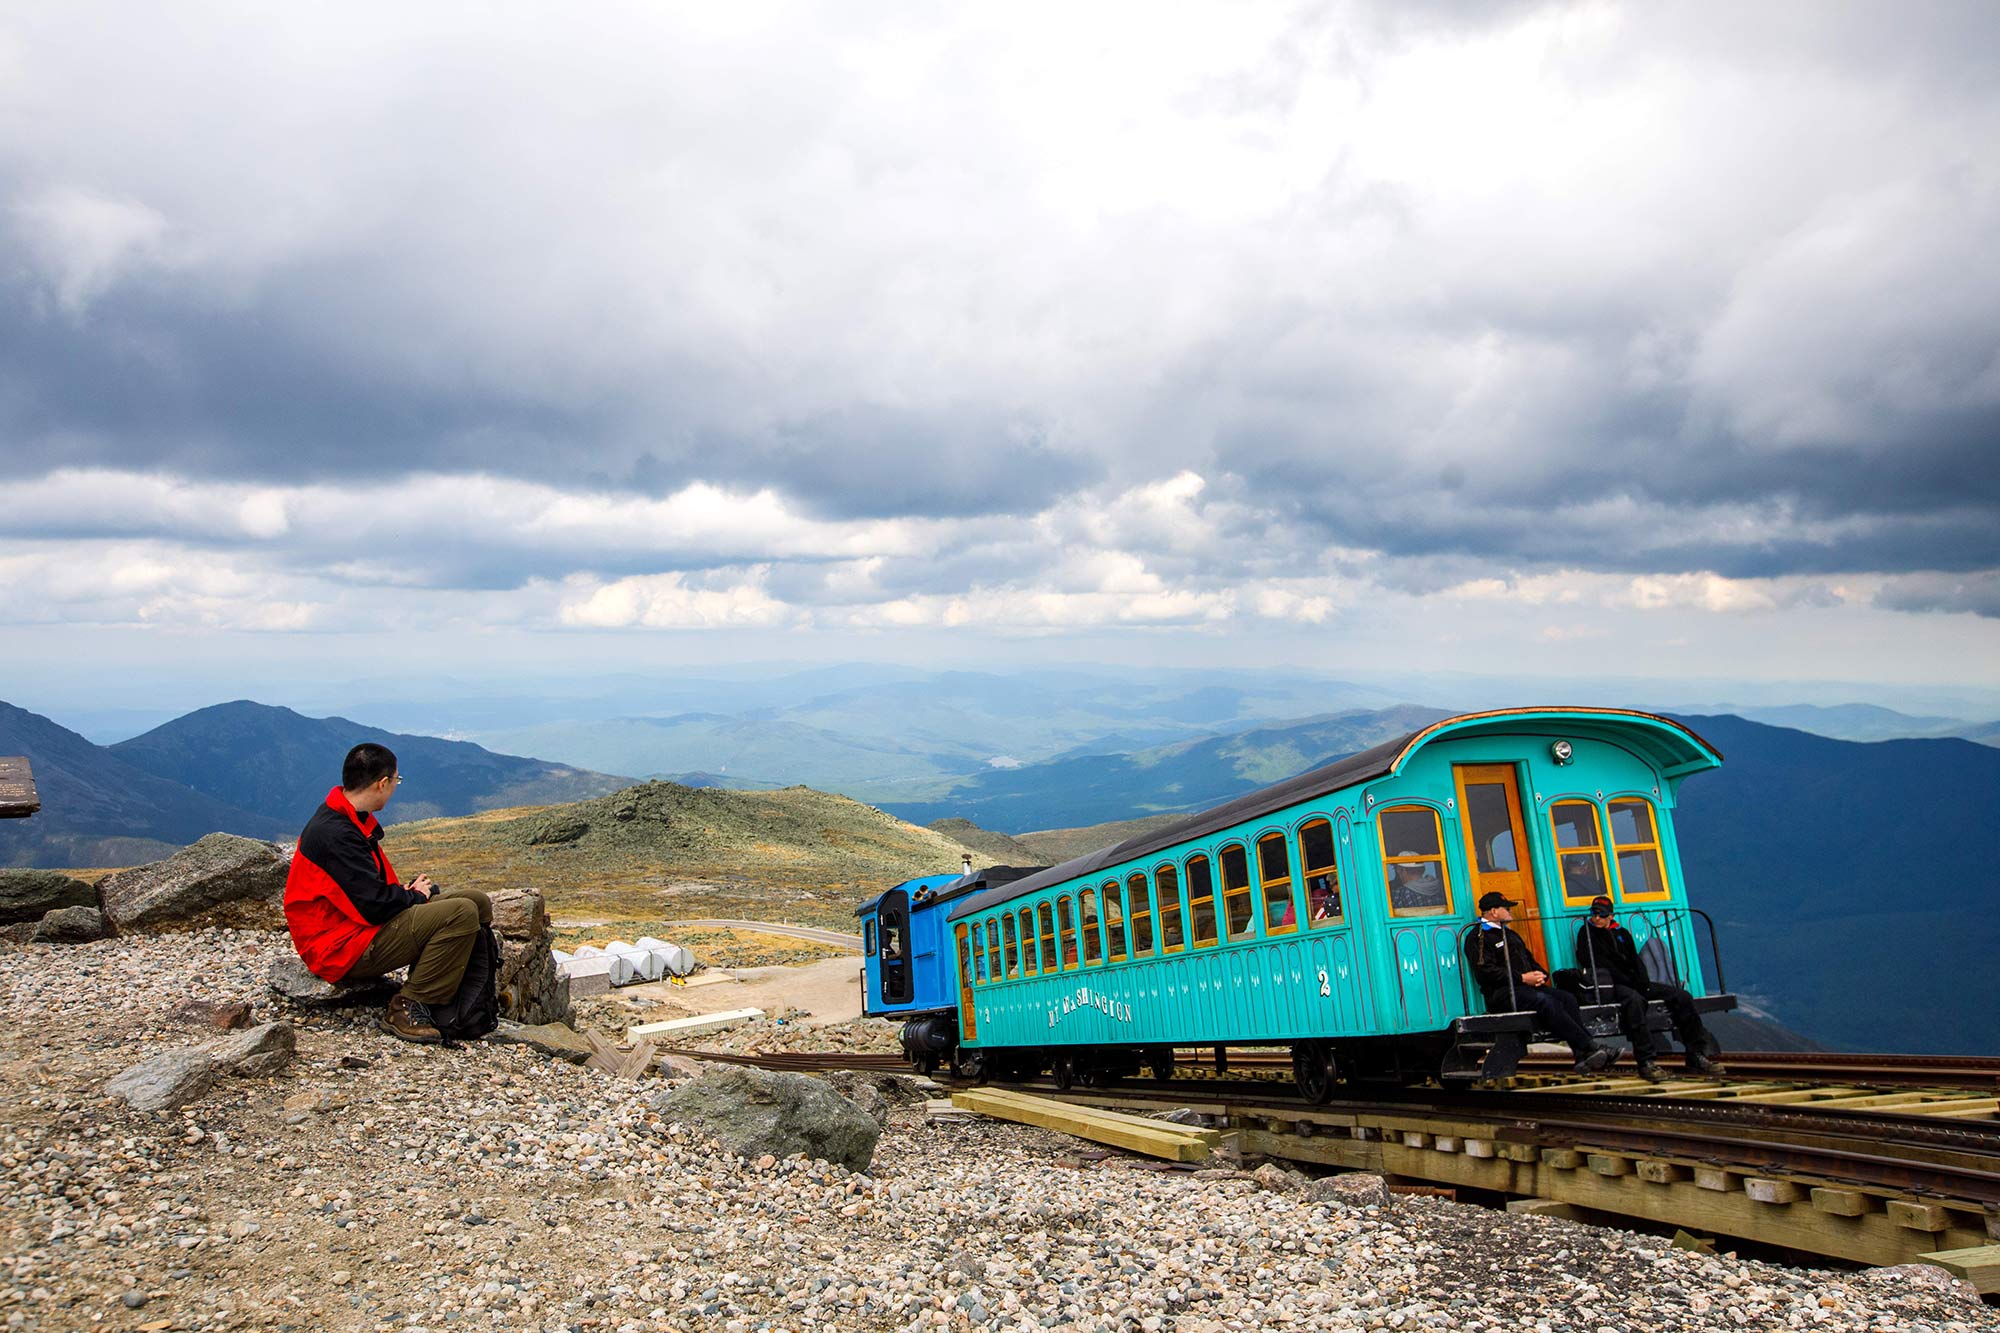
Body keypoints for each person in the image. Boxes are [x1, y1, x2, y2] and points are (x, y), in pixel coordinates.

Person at [283, 743, 493, 1044]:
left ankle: (459, 999)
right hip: (339, 948)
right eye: (396, 780)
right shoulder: (335, 834)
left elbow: (364, 893)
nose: (396, 786)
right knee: (460, 913)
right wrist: (416, 897)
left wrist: (406, 893)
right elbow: (374, 908)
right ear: (382, 783)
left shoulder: (348, 817)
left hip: (357, 928)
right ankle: (406, 1007)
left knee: (476, 901)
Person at [1573, 895, 1725, 1080]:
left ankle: (1696, 1053)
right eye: (1594, 914)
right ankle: (1646, 1061)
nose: (1596, 918)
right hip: (1611, 984)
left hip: (1634, 982)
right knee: (1635, 1002)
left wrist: (1642, 982)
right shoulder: (1586, 933)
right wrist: (1631, 982)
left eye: (1601, 915)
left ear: (1611, 916)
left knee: (1682, 996)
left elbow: (1635, 960)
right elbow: (1591, 960)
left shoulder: (1622, 933)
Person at [1464, 891, 1614, 1073]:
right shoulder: (1478, 937)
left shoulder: (1510, 934)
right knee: (1546, 1001)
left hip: (1526, 988)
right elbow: (1485, 972)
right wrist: (1522, 978)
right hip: (1502, 993)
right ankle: (1590, 1046)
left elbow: (1528, 958)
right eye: (1507, 908)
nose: (1510, 911)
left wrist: (1540, 974)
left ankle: (1582, 1056)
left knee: (1567, 998)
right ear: (1494, 911)